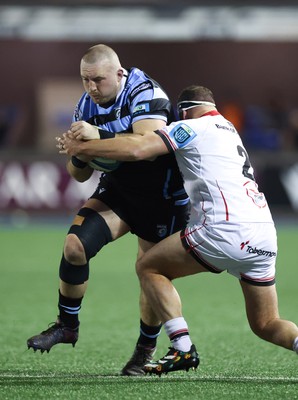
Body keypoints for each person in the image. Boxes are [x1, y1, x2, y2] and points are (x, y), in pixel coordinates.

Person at [58, 85, 298, 376]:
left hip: (225, 229)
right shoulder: (229, 129)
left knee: (148, 267)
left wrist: (83, 146)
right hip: (264, 235)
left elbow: (138, 148)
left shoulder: (192, 126)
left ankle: (182, 346)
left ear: (183, 111)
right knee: (267, 324)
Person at [27, 44, 190, 376]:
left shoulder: (146, 92)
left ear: (119, 74)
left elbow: (145, 147)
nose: (91, 88)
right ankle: (67, 325)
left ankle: (144, 350)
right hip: (119, 191)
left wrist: (94, 138)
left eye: (98, 80)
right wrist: (78, 153)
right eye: (85, 81)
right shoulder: (86, 104)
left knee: (150, 274)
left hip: (163, 197)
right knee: (74, 247)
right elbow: (79, 174)